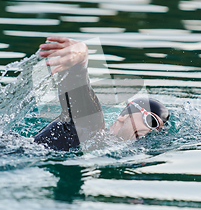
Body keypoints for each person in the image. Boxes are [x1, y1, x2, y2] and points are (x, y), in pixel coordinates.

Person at [33, 37, 169, 151]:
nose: (152, 133)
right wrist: (79, 63)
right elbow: (79, 96)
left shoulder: (99, 148)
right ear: (124, 116)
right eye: (151, 121)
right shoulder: (93, 126)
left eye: (158, 131)